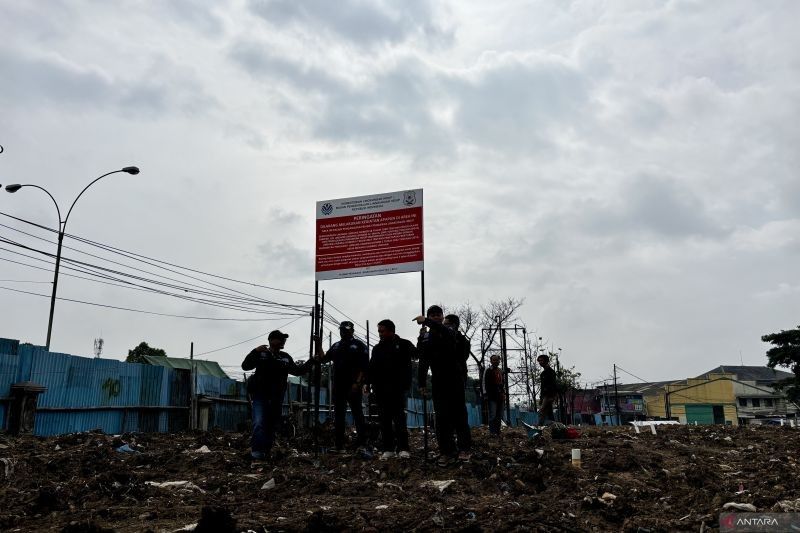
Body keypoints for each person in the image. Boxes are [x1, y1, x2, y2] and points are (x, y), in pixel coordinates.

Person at [415, 306, 472, 466]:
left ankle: (464, 449)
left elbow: (448, 335)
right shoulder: (427, 337)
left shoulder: (451, 333)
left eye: (437, 315)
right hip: (438, 381)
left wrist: (427, 321)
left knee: (459, 416)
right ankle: (447, 451)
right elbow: (423, 359)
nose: (435, 318)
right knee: (441, 419)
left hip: (455, 379)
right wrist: (421, 382)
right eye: (431, 315)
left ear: (442, 317)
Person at [241, 330, 311, 460]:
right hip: (260, 396)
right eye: (280, 339)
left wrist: (311, 361)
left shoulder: (285, 357)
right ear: (271, 340)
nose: (283, 341)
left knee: (271, 426)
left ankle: (266, 452)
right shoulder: (261, 354)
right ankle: (256, 454)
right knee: (258, 423)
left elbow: (297, 371)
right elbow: (245, 366)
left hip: (276, 398)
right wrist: (255, 351)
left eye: (284, 339)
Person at [315, 321, 369, 452]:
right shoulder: (336, 346)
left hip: (353, 385)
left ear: (352, 331)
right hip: (338, 386)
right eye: (342, 330)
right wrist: (318, 344)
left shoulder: (359, 345)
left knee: (357, 414)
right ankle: (339, 445)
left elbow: (364, 367)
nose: (343, 332)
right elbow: (323, 359)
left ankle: (362, 443)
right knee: (339, 415)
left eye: (346, 330)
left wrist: (358, 383)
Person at [367, 319, 416, 460]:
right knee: (384, 420)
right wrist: (367, 383)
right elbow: (372, 367)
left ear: (391, 330)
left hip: (398, 389)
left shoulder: (404, 344)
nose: (380, 334)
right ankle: (388, 449)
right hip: (381, 390)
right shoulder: (377, 348)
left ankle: (403, 448)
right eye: (379, 331)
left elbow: (418, 354)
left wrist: (421, 337)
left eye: (382, 331)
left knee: (399, 419)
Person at [483, 354, 505, 435]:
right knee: (493, 415)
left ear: (499, 361)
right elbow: (484, 382)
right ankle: (492, 432)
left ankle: (497, 431)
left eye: (497, 360)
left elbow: (502, 383)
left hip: (500, 396)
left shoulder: (500, 371)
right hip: (492, 396)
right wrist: (485, 394)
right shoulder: (488, 370)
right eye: (494, 360)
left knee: (499, 415)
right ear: (491, 361)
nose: (495, 361)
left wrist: (503, 393)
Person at [537, 354, 558, 424]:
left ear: (546, 361)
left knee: (541, 411)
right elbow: (542, 387)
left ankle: (539, 426)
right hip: (544, 396)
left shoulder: (551, 372)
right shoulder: (542, 374)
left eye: (541, 360)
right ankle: (555, 426)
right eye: (539, 361)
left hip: (549, 395)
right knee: (549, 413)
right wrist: (541, 398)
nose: (540, 362)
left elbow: (554, 385)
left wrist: (553, 396)